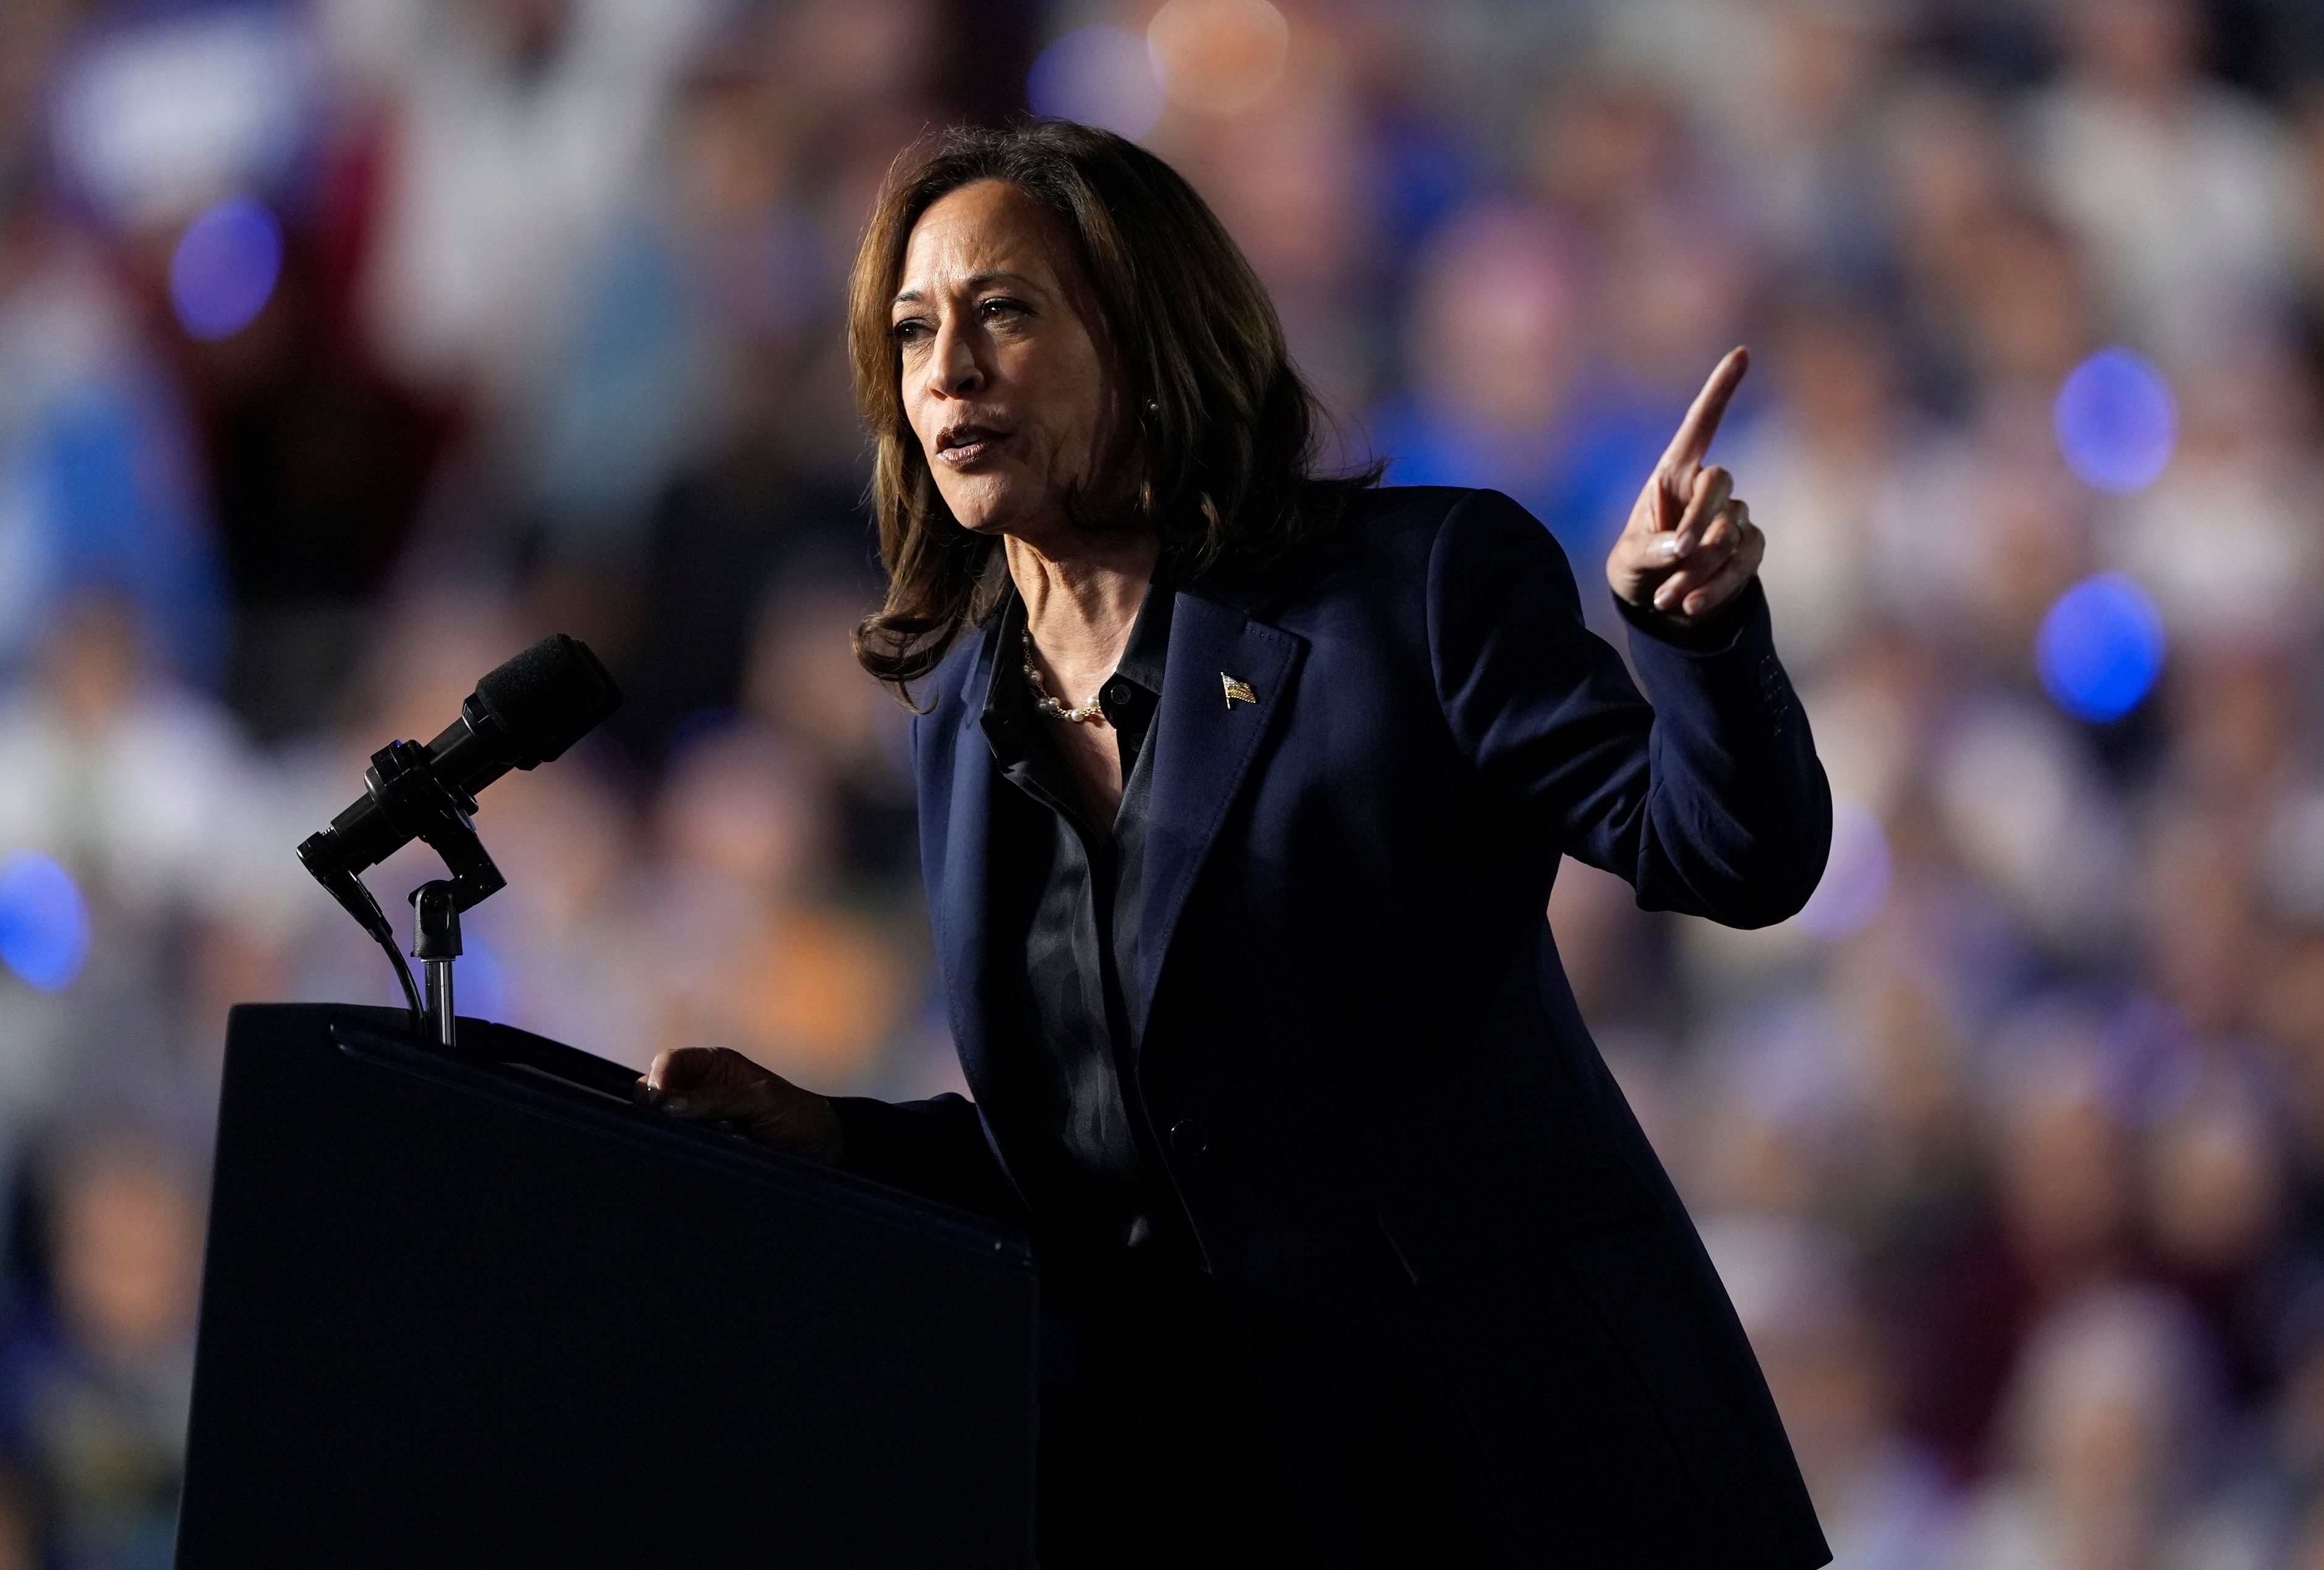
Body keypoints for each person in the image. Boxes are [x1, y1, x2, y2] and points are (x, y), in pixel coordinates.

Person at [638, 120, 1833, 1568]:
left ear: (1149, 339)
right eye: (912, 329)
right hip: (1211, 1503)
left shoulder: (1414, 591)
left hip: (1536, 1478)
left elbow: (1733, 858)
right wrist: (838, 1135)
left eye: (1004, 310)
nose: (946, 368)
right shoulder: (963, 713)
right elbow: (1103, 1164)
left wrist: (1690, 634)